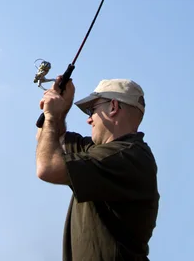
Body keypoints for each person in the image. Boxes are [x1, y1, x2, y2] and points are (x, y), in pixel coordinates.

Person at [36, 77, 159, 261]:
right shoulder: (103, 152)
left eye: (91, 110)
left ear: (113, 107)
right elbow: (51, 141)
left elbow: (47, 167)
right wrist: (59, 109)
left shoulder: (126, 157)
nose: (89, 119)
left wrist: (52, 115)